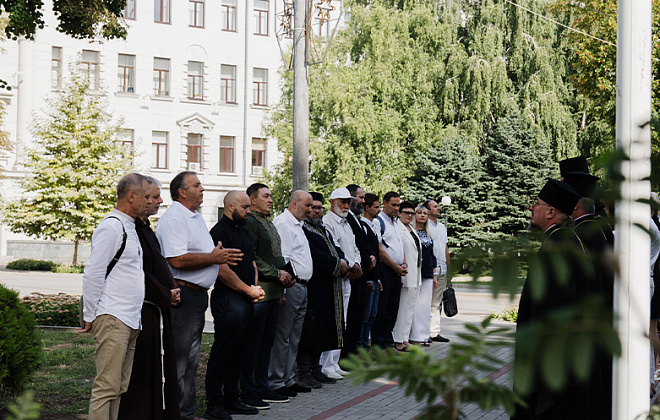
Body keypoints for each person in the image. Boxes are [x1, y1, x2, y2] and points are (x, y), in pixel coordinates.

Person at [156, 171, 242, 420]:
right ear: (182, 192)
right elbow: (176, 259)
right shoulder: (175, 218)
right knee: (180, 360)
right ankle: (177, 413)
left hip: (196, 295)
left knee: (191, 360)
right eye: (196, 185)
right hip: (183, 294)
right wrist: (214, 258)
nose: (202, 189)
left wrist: (216, 256)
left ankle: (186, 411)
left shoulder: (193, 217)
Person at [512, 179, 593, 420]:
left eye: (536, 204)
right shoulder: (566, 240)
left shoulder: (557, 246)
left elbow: (551, 309)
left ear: (550, 212)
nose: (531, 208)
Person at [81, 173, 152, 420]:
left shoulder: (129, 226)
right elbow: (93, 272)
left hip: (130, 319)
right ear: (131, 196)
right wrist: (89, 315)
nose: (149, 201)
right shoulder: (112, 226)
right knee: (106, 387)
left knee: (118, 387)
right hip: (113, 317)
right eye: (145, 196)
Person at [118, 177, 181, 420]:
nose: (158, 201)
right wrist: (165, 293)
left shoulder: (145, 228)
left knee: (159, 369)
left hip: (157, 309)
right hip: (142, 310)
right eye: (152, 197)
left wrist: (171, 289)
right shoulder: (128, 228)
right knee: (142, 373)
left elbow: (158, 265)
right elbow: (137, 272)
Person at [204, 191, 265, 420]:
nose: (249, 211)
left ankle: (232, 398)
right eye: (245, 207)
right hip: (229, 300)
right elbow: (222, 270)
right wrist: (247, 289)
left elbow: (251, 261)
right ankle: (214, 404)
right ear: (231, 207)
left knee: (240, 351)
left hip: (246, 298)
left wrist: (255, 288)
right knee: (223, 352)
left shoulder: (243, 230)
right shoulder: (219, 232)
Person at [241, 183, 294, 407]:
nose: (271, 200)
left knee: (266, 343)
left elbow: (276, 255)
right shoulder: (251, 221)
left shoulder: (267, 221)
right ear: (252, 200)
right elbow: (251, 255)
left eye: (271, 196)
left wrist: (285, 278)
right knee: (253, 344)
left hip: (274, 292)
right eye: (266, 196)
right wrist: (276, 273)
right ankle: (249, 389)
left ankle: (263, 386)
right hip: (260, 291)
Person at [297, 192, 349, 388]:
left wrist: (342, 260)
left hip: (329, 286)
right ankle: (304, 371)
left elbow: (336, 248)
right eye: (312, 208)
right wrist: (338, 264)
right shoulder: (303, 230)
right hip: (314, 286)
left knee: (323, 329)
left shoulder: (323, 230)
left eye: (319, 208)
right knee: (311, 330)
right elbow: (316, 256)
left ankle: (316, 368)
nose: (316, 212)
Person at [269, 191, 314, 397]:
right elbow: (283, 258)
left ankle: (288, 378)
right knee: (283, 335)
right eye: (307, 205)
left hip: (302, 286)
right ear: (295, 204)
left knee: (294, 336)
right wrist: (284, 289)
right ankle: (276, 380)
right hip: (292, 285)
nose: (311, 209)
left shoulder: (298, 225)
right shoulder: (284, 224)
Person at [321, 187, 363, 378]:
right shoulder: (327, 221)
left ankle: (334, 362)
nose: (346, 205)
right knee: (333, 320)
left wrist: (356, 264)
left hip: (348, 276)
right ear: (332, 202)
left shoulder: (346, 222)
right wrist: (351, 266)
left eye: (348, 202)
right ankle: (325, 365)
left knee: (342, 320)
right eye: (342, 202)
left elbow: (354, 248)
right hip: (337, 276)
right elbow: (334, 247)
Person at [343, 184, 378, 356]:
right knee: (353, 317)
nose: (363, 201)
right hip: (354, 273)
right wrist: (365, 259)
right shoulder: (347, 219)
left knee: (359, 317)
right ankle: (349, 353)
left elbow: (362, 245)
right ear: (351, 197)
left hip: (363, 272)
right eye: (361, 197)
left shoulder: (355, 219)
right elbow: (353, 245)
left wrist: (370, 257)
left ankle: (354, 352)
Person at [371, 191, 406, 348]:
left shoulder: (395, 223)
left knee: (393, 308)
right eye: (393, 205)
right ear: (384, 203)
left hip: (396, 271)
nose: (396, 208)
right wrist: (394, 266)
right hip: (385, 270)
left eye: (398, 205)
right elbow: (379, 250)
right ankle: (378, 344)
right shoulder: (379, 222)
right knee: (382, 309)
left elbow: (399, 246)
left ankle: (387, 341)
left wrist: (402, 264)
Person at [392, 201, 421, 352]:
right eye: (406, 212)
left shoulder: (411, 229)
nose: (409, 215)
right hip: (404, 273)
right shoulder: (397, 228)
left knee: (409, 308)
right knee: (402, 308)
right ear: (399, 213)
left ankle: (404, 338)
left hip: (415, 274)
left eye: (412, 213)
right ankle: (397, 340)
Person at [409, 204, 437, 347]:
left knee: (425, 306)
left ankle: (424, 336)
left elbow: (432, 256)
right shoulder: (411, 232)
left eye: (425, 213)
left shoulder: (428, 234)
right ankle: (414, 336)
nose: (422, 215)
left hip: (427, 273)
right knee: (414, 305)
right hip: (415, 272)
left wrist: (434, 274)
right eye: (419, 212)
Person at [358, 193, 383, 350]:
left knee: (372, 315)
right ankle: (361, 347)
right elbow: (366, 252)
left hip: (375, 276)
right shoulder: (363, 225)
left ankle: (366, 346)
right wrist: (369, 278)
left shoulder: (374, 225)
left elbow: (377, 252)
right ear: (367, 208)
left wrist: (378, 278)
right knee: (364, 316)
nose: (379, 210)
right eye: (376, 206)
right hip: (368, 276)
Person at [426, 199, 451, 343]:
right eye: (435, 207)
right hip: (430, 270)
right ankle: (422, 333)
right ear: (429, 210)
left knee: (437, 303)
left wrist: (449, 267)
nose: (439, 208)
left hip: (442, 269)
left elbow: (445, 248)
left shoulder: (441, 227)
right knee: (425, 302)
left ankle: (434, 332)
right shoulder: (424, 226)